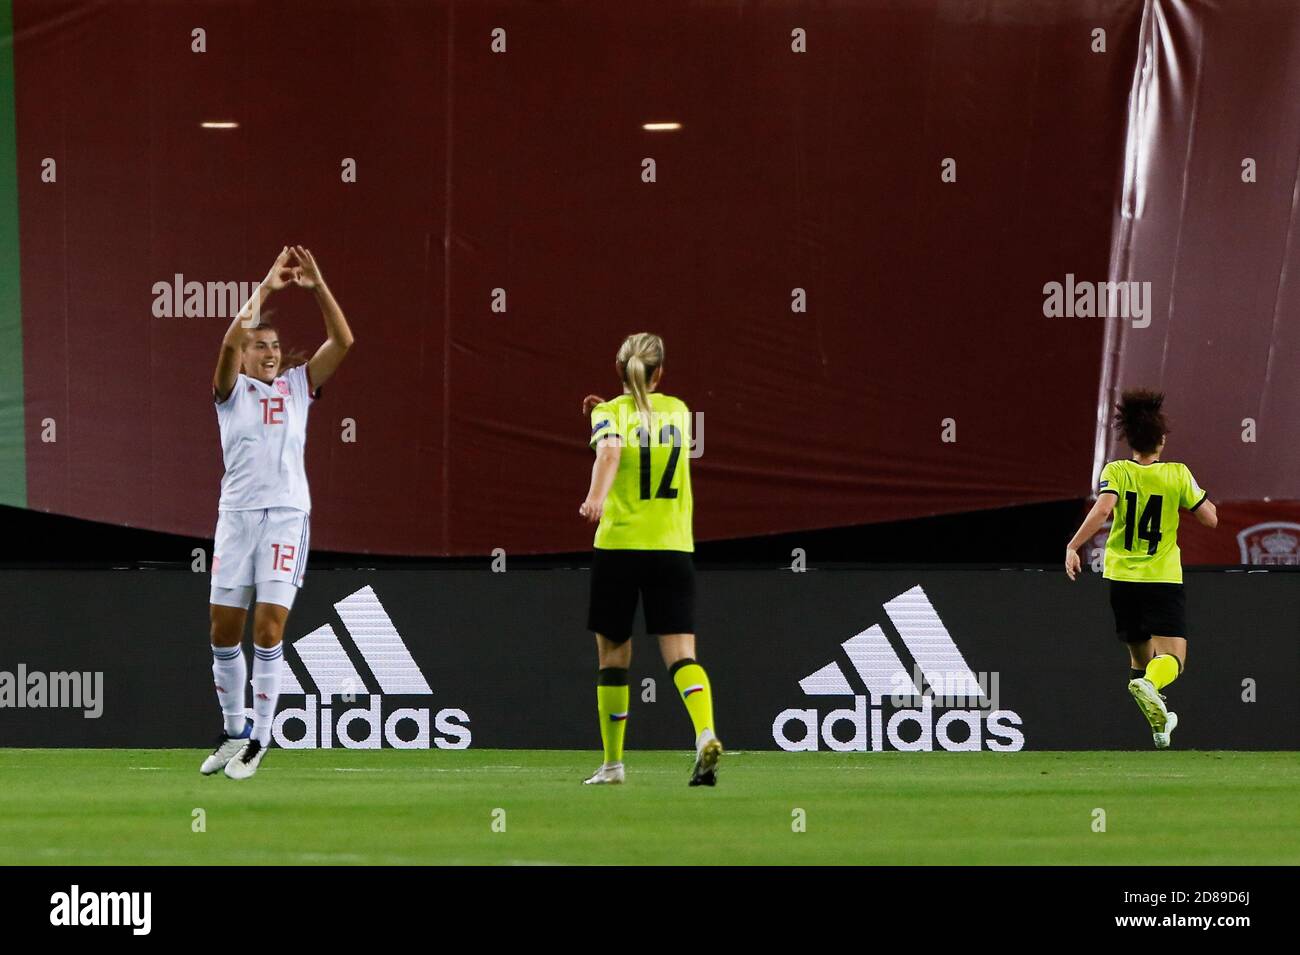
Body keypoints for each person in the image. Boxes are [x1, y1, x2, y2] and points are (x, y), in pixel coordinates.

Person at [200, 246, 354, 779]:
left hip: (286, 516)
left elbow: (343, 341)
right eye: (258, 345)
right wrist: (266, 284)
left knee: (268, 630)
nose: (268, 352)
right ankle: (233, 730)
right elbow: (227, 340)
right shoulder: (229, 391)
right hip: (236, 518)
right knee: (223, 632)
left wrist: (317, 286)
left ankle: (261, 739)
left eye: (274, 346)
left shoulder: (296, 388)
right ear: (243, 356)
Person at [578, 332, 722, 786]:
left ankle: (613, 765)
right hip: (673, 547)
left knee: (613, 657)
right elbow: (643, 430)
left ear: (618, 369)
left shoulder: (610, 415)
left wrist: (594, 497)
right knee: (681, 653)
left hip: (620, 545)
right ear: (660, 372)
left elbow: (612, 449)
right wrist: (607, 413)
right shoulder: (679, 412)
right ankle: (703, 734)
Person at [1065, 389, 1216, 748]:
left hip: (1121, 578)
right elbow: (1210, 519)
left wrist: (1073, 546)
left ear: (1129, 440)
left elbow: (1103, 510)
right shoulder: (1177, 474)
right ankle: (1151, 688)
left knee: (1139, 657)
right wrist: (1190, 498)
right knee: (1171, 660)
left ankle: (1159, 724)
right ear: (1161, 440)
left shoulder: (1116, 470)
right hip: (1161, 577)